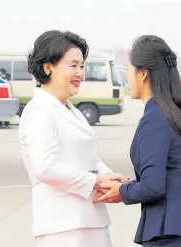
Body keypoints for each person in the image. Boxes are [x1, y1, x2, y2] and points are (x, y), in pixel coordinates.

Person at [94, 35, 181, 247]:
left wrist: (121, 193)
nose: (127, 78)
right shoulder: (174, 113)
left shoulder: (155, 119)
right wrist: (131, 186)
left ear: (143, 74)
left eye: (129, 69)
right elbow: (170, 175)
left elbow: (153, 187)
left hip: (173, 232)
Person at [18, 30, 129, 247]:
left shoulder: (71, 109)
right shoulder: (39, 111)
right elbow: (45, 167)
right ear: (48, 67)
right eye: (73, 65)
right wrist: (96, 181)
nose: (80, 73)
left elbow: (86, 157)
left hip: (89, 219)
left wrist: (108, 175)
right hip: (63, 226)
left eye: (82, 66)